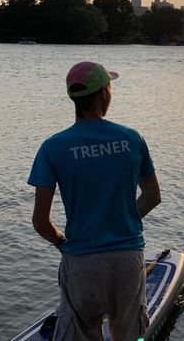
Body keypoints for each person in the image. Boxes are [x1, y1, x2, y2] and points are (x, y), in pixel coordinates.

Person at [28, 61, 161, 340]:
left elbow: (40, 222)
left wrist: (60, 242)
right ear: (102, 94)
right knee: (129, 334)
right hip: (126, 258)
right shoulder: (131, 139)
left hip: (82, 261)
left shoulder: (53, 147)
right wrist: (123, 219)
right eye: (109, 87)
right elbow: (152, 196)